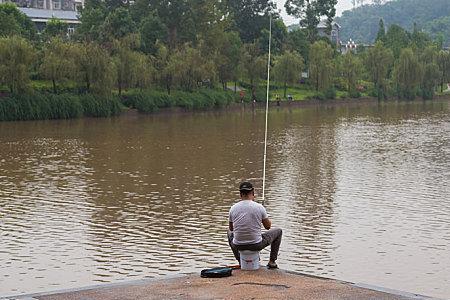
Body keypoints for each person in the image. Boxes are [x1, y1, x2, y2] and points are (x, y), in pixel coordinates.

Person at [227, 181, 282, 269]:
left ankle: (240, 260)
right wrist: (264, 215)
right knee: (278, 231)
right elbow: (268, 227)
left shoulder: (233, 208)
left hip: (238, 245)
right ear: (253, 193)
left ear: (240, 194)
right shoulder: (259, 207)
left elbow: (231, 228)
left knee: (229, 232)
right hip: (256, 244)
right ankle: (272, 261)